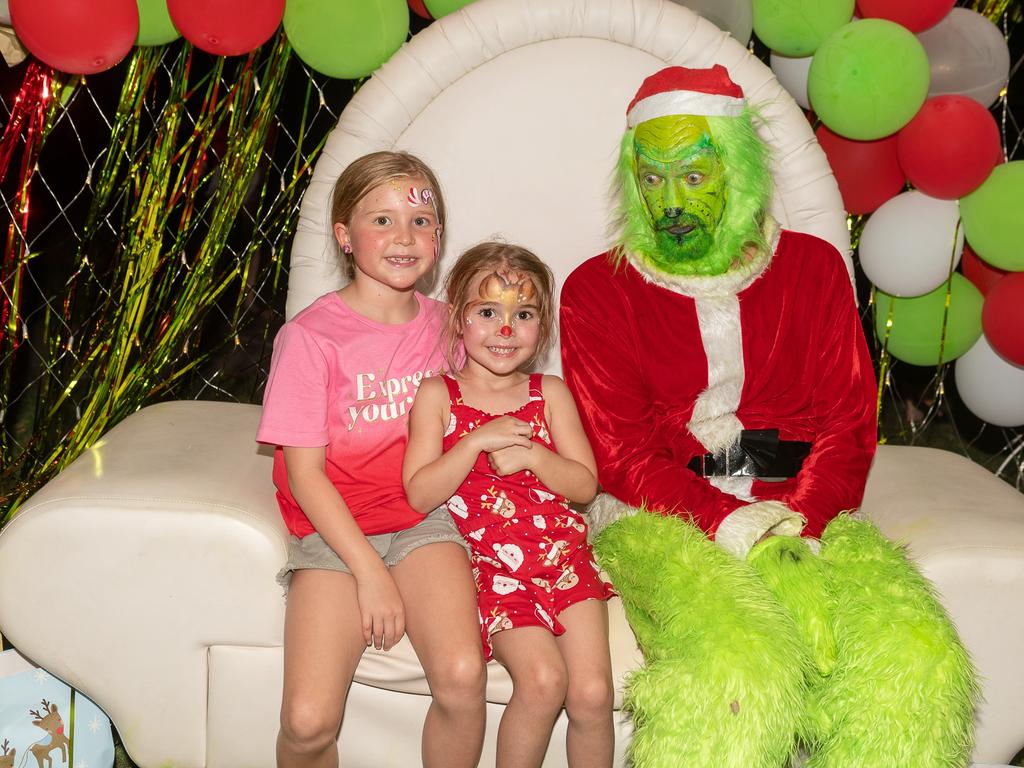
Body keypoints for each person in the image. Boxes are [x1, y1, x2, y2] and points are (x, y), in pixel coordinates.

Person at [559, 65, 977, 768]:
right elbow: (621, 454)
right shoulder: (597, 289)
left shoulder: (812, 268)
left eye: (692, 176)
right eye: (651, 179)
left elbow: (848, 422)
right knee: (738, 674)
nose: (669, 203)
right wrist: (734, 523)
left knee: (918, 659)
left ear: (743, 170)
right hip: (659, 513)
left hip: (810, 505)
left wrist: (802, 522)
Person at [256, 151, 486, 768]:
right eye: (380, 220)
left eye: (420, 220)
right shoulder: (311, 338)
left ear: (439, 235)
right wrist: (370, 574)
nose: (403, 237)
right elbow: (304, 476)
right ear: (344, 236)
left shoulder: (455, 329)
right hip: (335, 530)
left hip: (423, 518)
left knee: (464, 678)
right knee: (306, 723)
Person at [403, 242, 616, 768]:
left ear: (541, 327)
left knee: (592, 695)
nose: (505, 330)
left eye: (522, 315)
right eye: (487, 312)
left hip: (566, 562)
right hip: (494, 573)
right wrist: (474, 442)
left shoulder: (551, 392)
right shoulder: (439, 395)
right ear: (457, 317)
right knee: (544, 681)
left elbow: (585, 486)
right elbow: (419, 492)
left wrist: (535, 456)